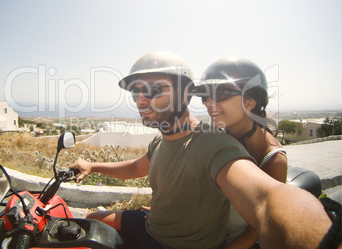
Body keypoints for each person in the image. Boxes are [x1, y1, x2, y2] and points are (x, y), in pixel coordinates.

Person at [70, 51, 332, 249]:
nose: (140, 99)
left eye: (152, 90)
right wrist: (92, 166)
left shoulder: (214, 142)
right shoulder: (163, 139)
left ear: (184, 95)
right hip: (153, 226)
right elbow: (139, 166)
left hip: (175, 243)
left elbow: (268, 200)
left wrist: (324, 238)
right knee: (91, 219)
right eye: (136, 92)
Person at [193, 57, 288, 249]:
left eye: (221, 94)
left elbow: (257, 229)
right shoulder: (216, 135)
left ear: (250, 103)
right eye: (205, 96)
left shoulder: (273, 159)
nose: (209, 103)